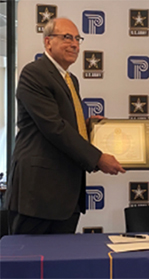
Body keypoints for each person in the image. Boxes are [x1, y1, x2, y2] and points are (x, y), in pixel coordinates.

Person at [5, 18, 125, 235]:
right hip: (38, 195)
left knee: (61, 263)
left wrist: (88, 127)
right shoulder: (34, 73)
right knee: (29, 263)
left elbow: (63, 123)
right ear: (48, 42)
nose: (75, 44)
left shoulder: (71, 80)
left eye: (78, 39)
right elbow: (54, 127)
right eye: (67, 37)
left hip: (66, 196)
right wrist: (97, 157)